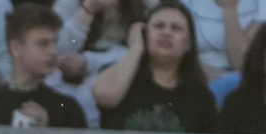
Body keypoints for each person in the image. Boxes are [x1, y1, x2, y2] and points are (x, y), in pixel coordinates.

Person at [91, 0, 219, 127]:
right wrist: (135, 49)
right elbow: (104, 96)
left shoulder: (201, 97)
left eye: (176, 28)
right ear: (144, 34)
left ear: (189, 43)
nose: (166, 33)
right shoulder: (122, 77)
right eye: (158, 26)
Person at [0, 4, 92, 122]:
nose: (54, 51)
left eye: (55, 42)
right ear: (16, 48)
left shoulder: (67, 108)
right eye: (43, 43)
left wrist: (50, 131)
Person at [178, 0, 266, 73]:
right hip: (195, 78)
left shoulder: (263, 4)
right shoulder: (184, 3)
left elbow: (241, 63)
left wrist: (229, 8)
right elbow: (177, 59)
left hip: (244, 85)